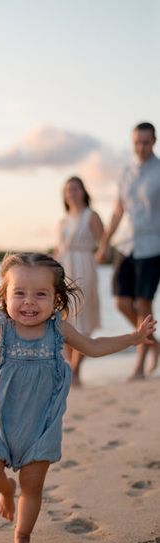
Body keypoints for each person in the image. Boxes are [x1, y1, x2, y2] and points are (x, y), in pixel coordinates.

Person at [0, 252, 156, 543]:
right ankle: (5, 490)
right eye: (20, 293)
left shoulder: (58, 330)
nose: (29, 302)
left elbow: (93, 347)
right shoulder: (1, 327)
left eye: (40, 294)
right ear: (5, 295)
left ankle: (22, 536)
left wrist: (132, 338)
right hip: (0, 418)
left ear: (56, 299)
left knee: (33, 484)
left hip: (41, 424)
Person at [96, 122, 160, 380]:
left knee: (143, 302)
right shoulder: (125, 172)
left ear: (154, 141)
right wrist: (104, 242)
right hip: (126, 244)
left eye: (145, 142)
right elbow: (117, 210)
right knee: (121, 302)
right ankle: (154, 343)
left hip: (153, 245)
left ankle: (140, 362)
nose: (141, 147)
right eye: (137, 142)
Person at [55, 176, 104, 386]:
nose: (71, 193)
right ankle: (69, 367)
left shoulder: (90, 216)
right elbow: (59, 248)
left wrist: (101, 255)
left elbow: (104, 242)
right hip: (64, 266)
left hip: (84, 265)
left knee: (82, 314)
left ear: (83, 191)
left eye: (75, 189)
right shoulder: (63, 220)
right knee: (64, 315)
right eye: (68, 190)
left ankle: (75, 370)